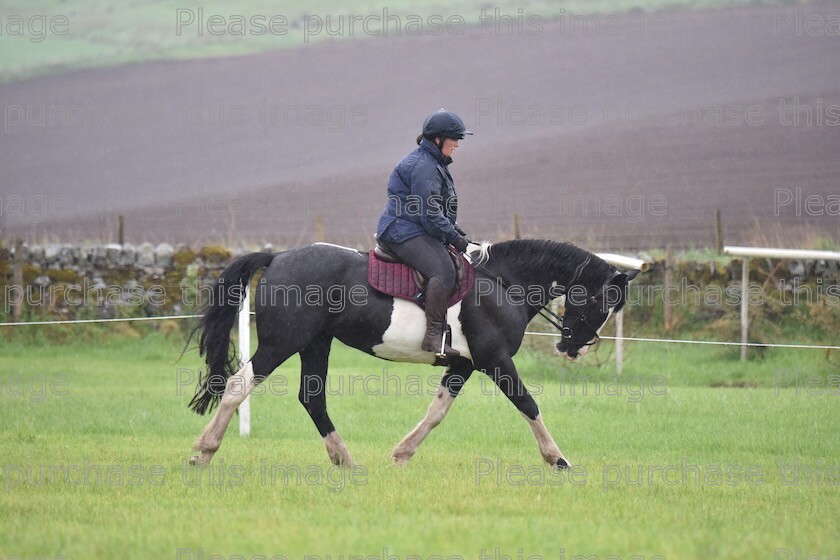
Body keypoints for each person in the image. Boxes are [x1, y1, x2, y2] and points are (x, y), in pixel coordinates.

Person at [375, 109, 473, 359]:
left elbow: (439, 210)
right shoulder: (424, 166)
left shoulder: (433, 163)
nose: (458, 144)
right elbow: (429, 213)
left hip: (414, 227)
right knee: (443, 270)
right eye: (455, 138)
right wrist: (454, 238)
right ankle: (433, 337)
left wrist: (458, 233)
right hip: (402, 230)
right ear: (438, 139)